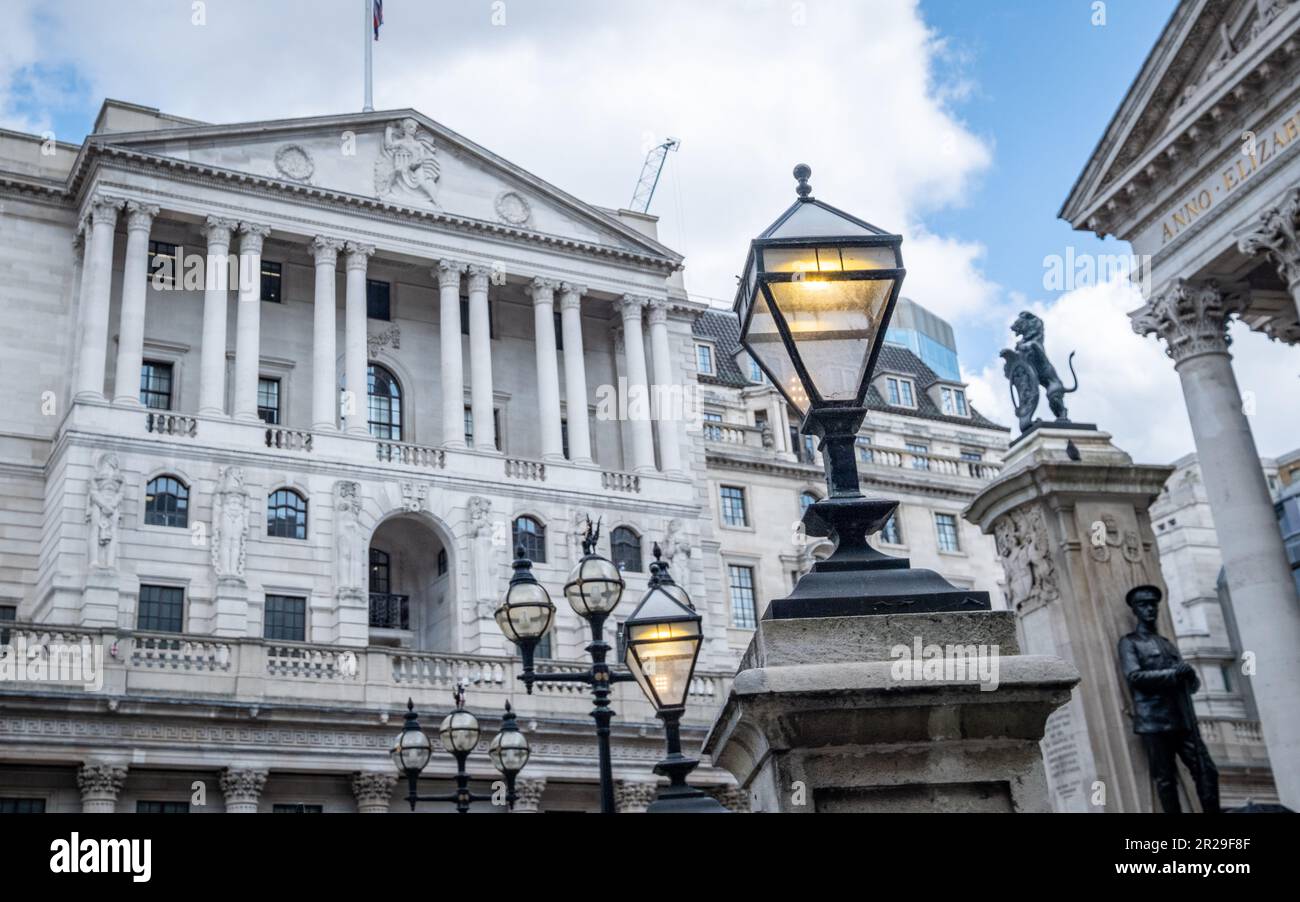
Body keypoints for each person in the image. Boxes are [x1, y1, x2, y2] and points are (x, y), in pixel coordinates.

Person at [1117, 584, 1220, 813]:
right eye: (1143, 605)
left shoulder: (1166, 643)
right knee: (1165, 779)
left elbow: (1190, 686)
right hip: (1153, 720)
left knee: (1207, 770)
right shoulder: (1130, 642)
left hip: (1182, 719)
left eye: (1153, 604)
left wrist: (1190, 675)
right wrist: (1174, 674)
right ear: (1135, 610)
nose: (1150, 609)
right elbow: (1134, 676)